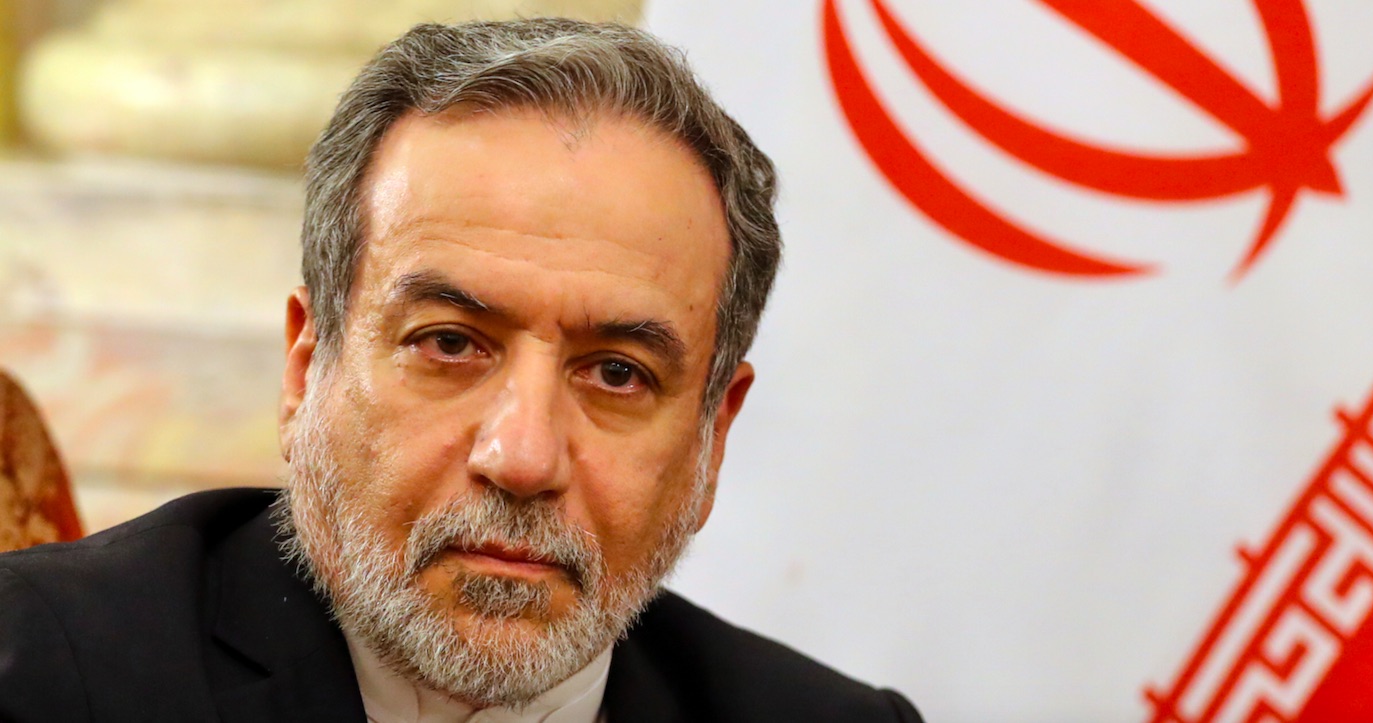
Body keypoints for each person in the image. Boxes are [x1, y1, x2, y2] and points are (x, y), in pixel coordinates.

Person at [0, 18, 924, 722]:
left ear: (713, 436)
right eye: (449, 344)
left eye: (617, 373)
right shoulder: (41, 669)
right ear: (307, 365)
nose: (522, 458)